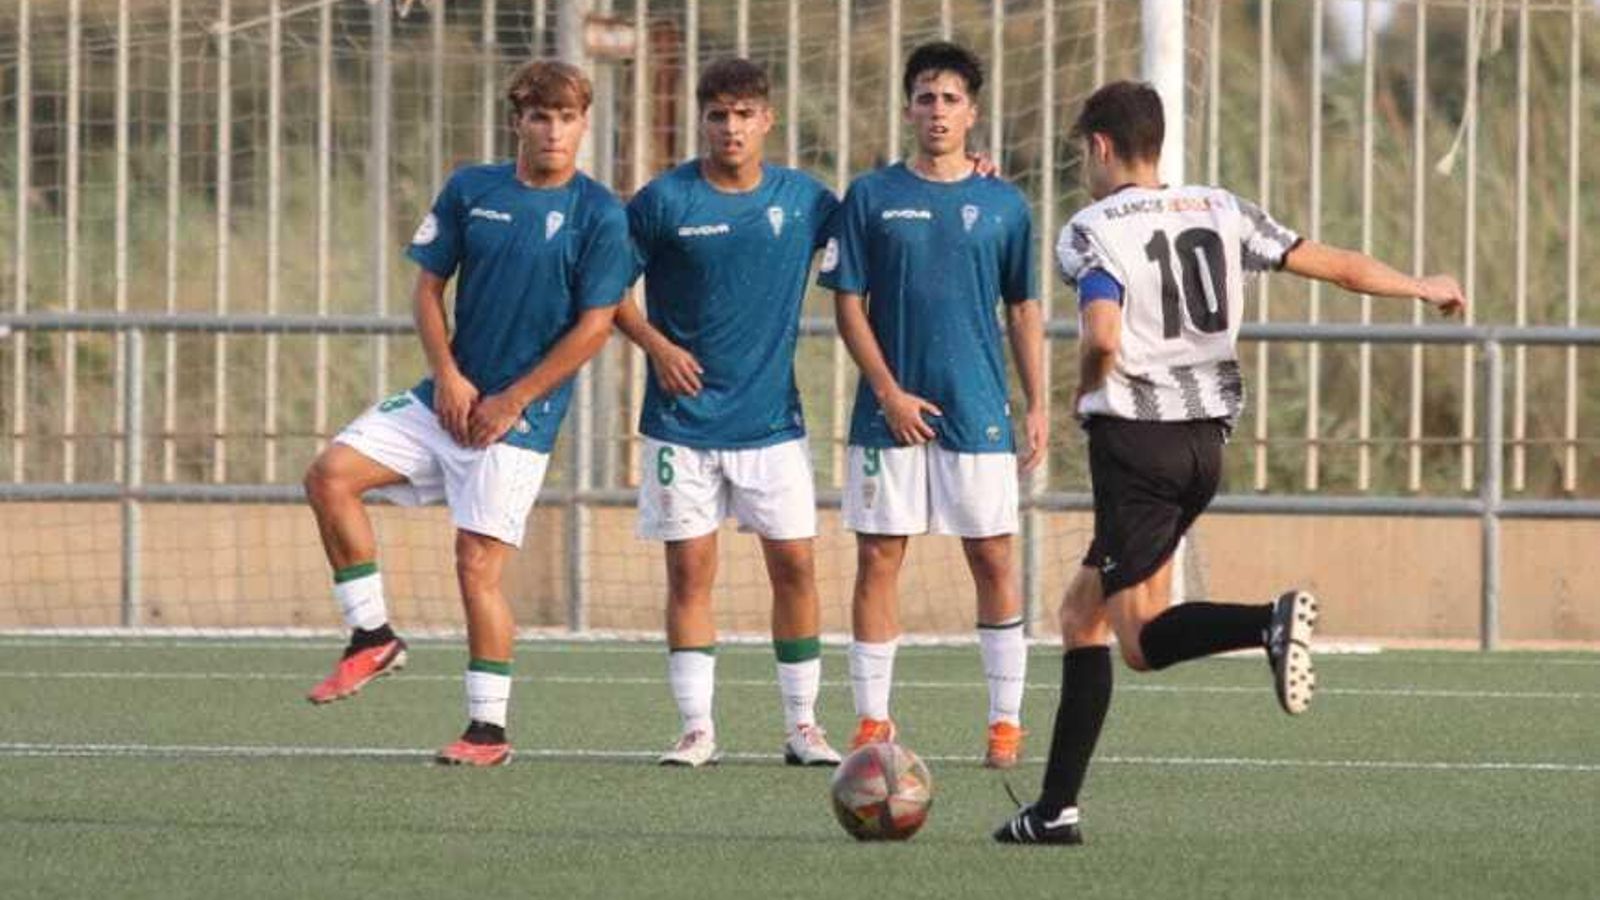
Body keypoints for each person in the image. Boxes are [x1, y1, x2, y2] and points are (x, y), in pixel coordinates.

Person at [994, 80, 1466, 844]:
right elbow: (1339, 266)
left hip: (1135, 446)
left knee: (1140, 641)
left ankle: (1268, 621)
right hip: (1204, 445)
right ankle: (1054, 810)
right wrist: (1422, 285)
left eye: (1084, 150)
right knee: (1082, 615)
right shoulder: (1223, 208)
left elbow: (1105, 336)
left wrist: (1085, 390)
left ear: (1101, 147)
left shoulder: (1089, 229)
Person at [300, 60, 637, 768]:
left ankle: (487, 731)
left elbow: (595, 327)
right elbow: (427, 291)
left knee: (475, 566)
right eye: (540, 116)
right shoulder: (470, 188)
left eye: (567, 117)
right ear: (518, 119)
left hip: (520, 420)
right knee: (329, 474)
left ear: (584, 123)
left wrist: (513, 399)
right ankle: (372, 637)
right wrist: (448, 376)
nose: (553, 130)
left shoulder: (600, 213)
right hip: (443, 400)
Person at [819, 41, 1047, 769]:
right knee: (880, 556)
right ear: (909, 107)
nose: (937, 110)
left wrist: (1037, 404)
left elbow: (1023, 308)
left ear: (972, 111)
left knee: (993, 556)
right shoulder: (871, 196)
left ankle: (1004, 724)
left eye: (950, 98)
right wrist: (886, 390)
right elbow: (848, 303)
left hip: (977, 407)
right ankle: (871, 722)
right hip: (887, 414)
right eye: (925, 97)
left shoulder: (1005, 203)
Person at [618, 57, 843, 768]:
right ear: (702, 121)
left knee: (797, 569)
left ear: (767, 120)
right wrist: (654, 345)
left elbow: (878, 233)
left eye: (744, 114)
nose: (731, 128)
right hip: (679, 426)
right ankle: (696, 729)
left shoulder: (807, 200)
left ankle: (803, 725)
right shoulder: (663, 201)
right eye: (718, 115)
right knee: (690, 575)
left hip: (772, 424)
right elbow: (607, 291)